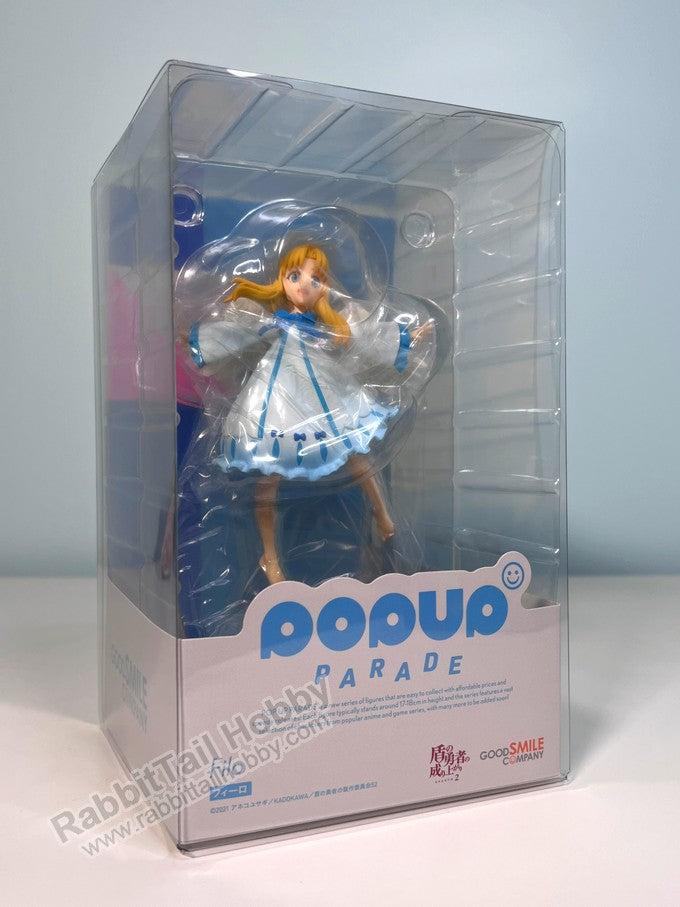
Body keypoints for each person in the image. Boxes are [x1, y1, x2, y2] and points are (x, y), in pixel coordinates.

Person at [187, 243, 431, 583]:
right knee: (269, 475)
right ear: (281, 280)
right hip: (277, 396)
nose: (304, 285)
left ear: (324, 288)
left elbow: (361, 335)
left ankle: (383, 517)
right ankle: (269, 555)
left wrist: (404, 337)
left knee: (356, 453)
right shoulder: (273, 322)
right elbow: (238, 334)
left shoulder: (326, 325)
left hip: (324, 389)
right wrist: (199, 341)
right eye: (294, 276)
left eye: (315, 280)